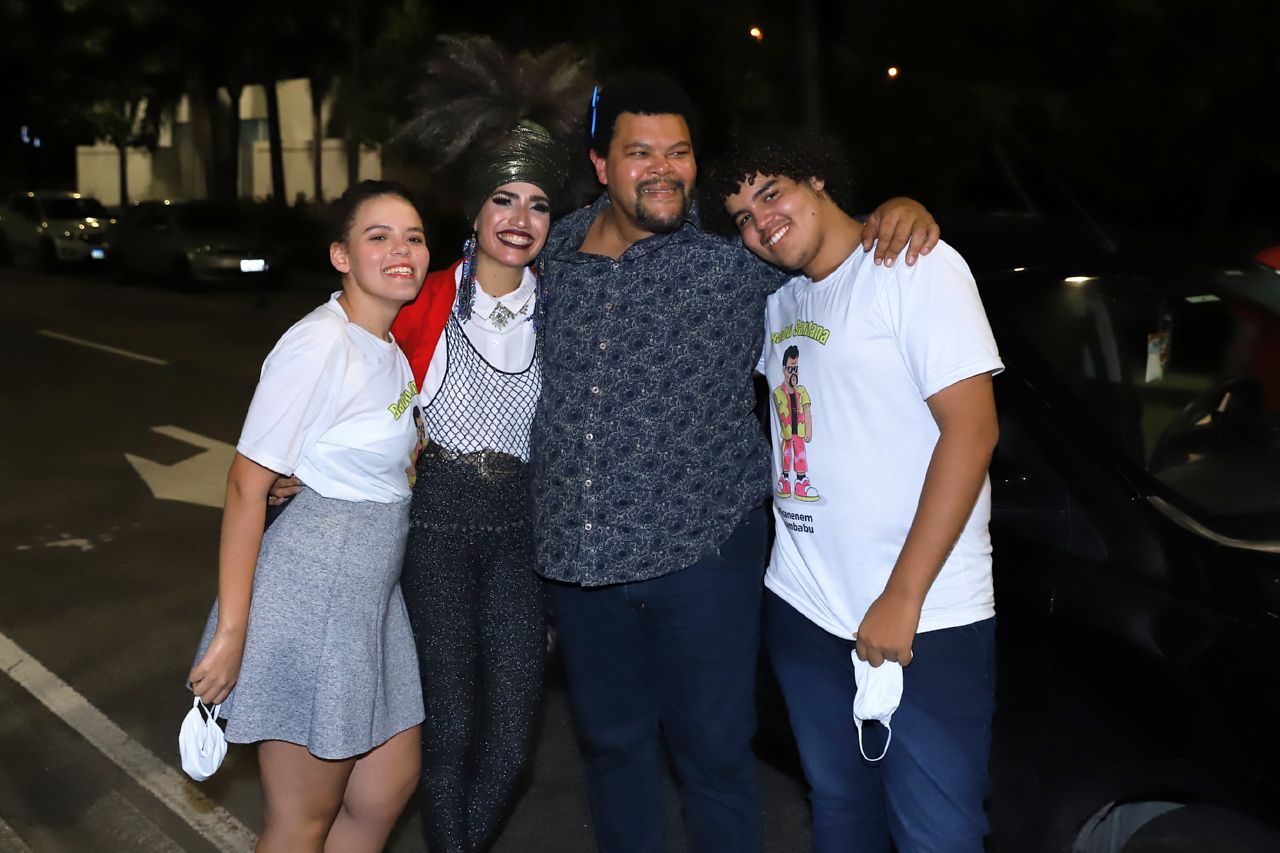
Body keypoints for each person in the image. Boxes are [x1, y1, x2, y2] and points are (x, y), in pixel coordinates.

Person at [532, 74, 941, 853]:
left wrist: (899, 208)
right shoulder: (552, 252)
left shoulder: (736, 252)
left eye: (679, 151)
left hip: (702, 557)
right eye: (640, 151)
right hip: (579, 566)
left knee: (715, 761)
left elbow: (833, 242)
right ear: (600, 164)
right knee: (614, 754)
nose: (664, 169)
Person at [271, 36, 588, 853]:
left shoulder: (569, 310)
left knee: (513, 742)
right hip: (435, 528)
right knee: (444, 737)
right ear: (476, 212)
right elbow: (344, 358)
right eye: (504, 201)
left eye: (539, 205)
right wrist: (296, 466)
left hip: (522, 533)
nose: (520, 221)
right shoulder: (423, 300)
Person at [704, 130, 1003, 852]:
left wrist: (903, 596)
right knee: (840, 810)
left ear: (816, 180)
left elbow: (972, 431)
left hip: (924, 614)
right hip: (806, 608)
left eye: (769, 192)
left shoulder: (914, 269)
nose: (760, 222)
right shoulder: (778, 305)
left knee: (941, 834)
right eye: (742, 216)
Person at [188, 180, 429, 852]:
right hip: (314, 596)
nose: (400, 249)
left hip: (371, 599)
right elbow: (245, 482)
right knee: (302, 820)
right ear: (341, 256)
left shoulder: (383, 346)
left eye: (412, 236)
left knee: (382, 792)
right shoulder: (320, 342)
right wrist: (235, 629)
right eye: (377, 236)